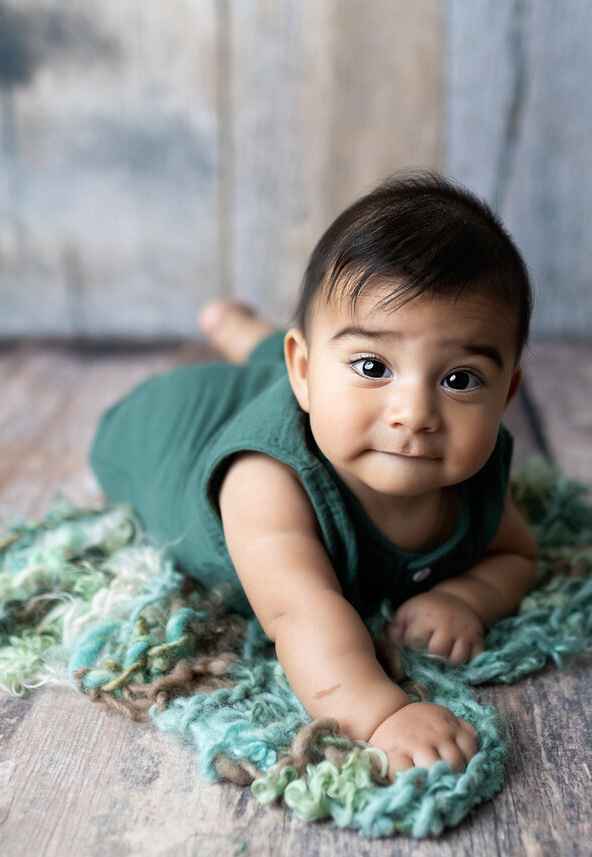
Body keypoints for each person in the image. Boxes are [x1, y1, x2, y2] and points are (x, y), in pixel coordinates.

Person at [90, 171, 538, 775]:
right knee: (287, 368)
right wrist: (381, 715)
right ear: (303, 372)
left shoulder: (474, 475)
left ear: (506, 391)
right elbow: (302, 612)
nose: (414, 414)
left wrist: (466, 597)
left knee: (324, 359)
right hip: (173, 423)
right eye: (376, 366)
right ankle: (246, 337)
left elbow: (517, 555)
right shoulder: (266, 482)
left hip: (309, 384)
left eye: (459, 379)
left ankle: (252, 334)